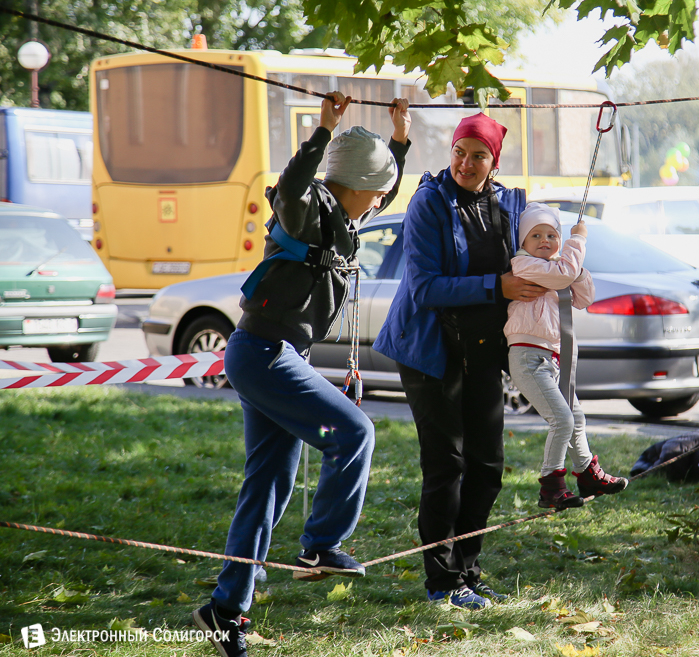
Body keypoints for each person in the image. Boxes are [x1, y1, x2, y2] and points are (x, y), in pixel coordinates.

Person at [192, 91, 411, 657]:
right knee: (355, 432)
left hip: (275, 354)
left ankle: (225, 609)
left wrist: (399, 139)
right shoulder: (307, 204)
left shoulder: (343, 215)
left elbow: (376, 188)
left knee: (268, 485)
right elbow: (291, 186)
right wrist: (322, 131)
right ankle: (320, 545)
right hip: (265, 352)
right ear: (354, 186)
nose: (380, 203)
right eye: (378, 192)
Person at [374, 113, 542, 610]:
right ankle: (442, 583)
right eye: (459, 152)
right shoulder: (429, 202)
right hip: (431, 350)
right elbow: (424, 287)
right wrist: (497, 286)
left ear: (495, 160)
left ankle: (467, 569)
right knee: (446, 464)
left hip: (485, 349)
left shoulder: (509, 202)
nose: (466, 164)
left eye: (478, 155)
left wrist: (561, 264)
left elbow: (532, 254)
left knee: (487, 466)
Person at [503, 203, 627, 509]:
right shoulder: (523, 265)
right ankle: (551, 488)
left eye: (551, 235)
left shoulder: (558, 269)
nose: (545, 240)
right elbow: (563, 275)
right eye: (536, 235)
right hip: (528, 358)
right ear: (523, 243)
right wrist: (578, 241)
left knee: (576, 417)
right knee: (561, 419)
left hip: (553, 359)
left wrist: (577, 268)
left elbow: (585, 297)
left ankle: (587, 473)